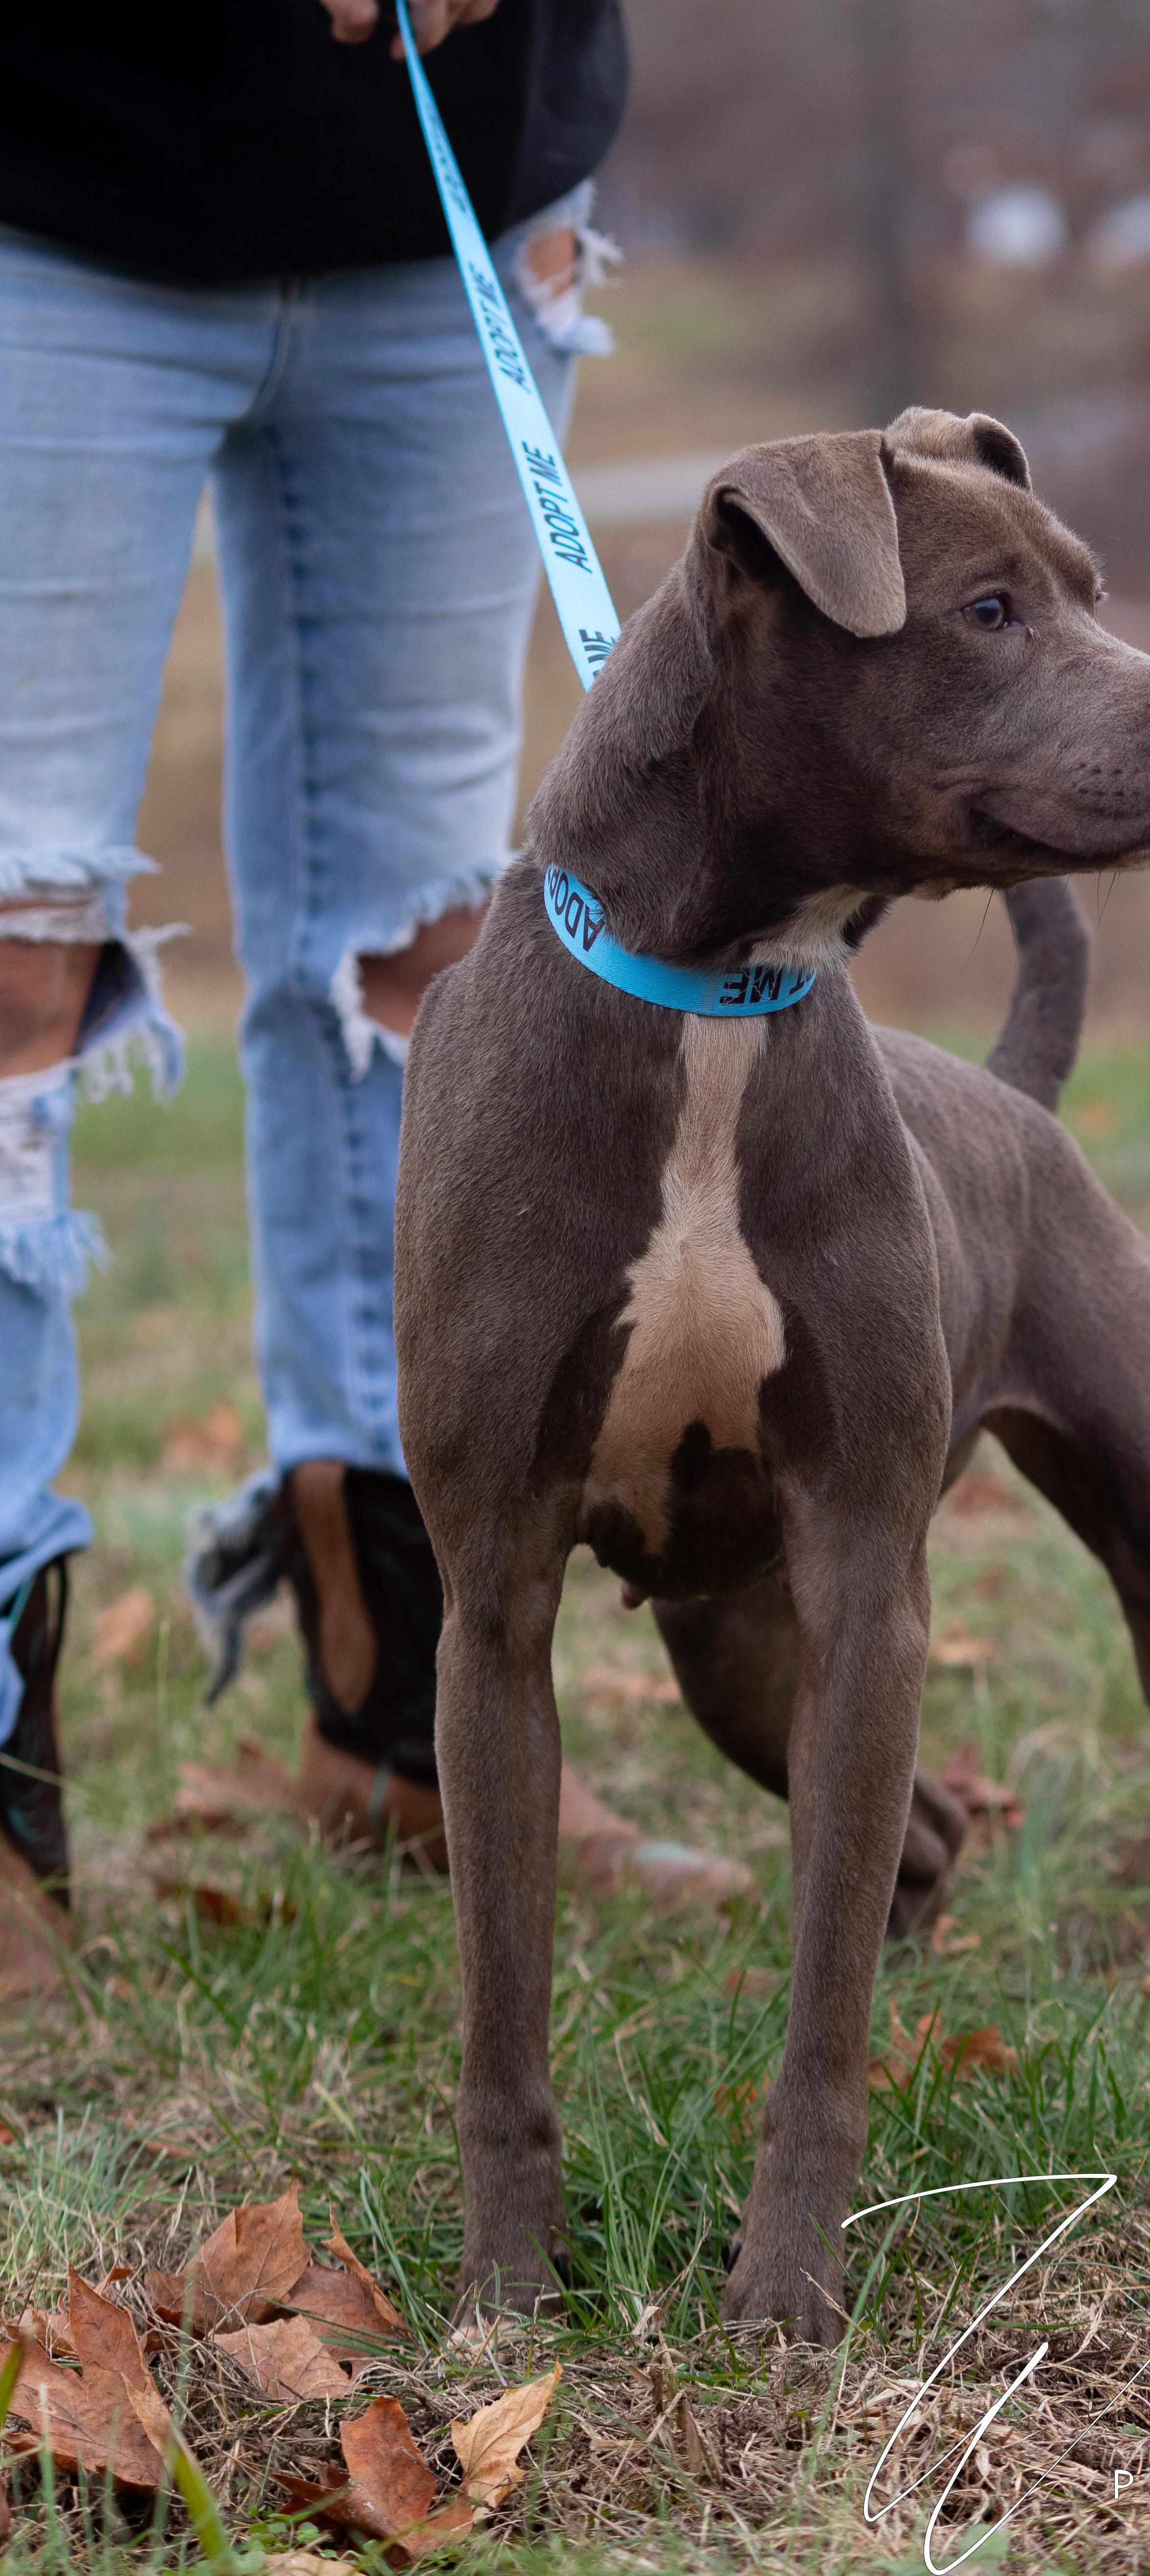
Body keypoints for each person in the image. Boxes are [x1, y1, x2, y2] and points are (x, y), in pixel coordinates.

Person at [0, 0, 751, 1994]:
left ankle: (406, 1720)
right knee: (8, 956)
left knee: (426, 954)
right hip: (47, 189)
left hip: (453, 193)